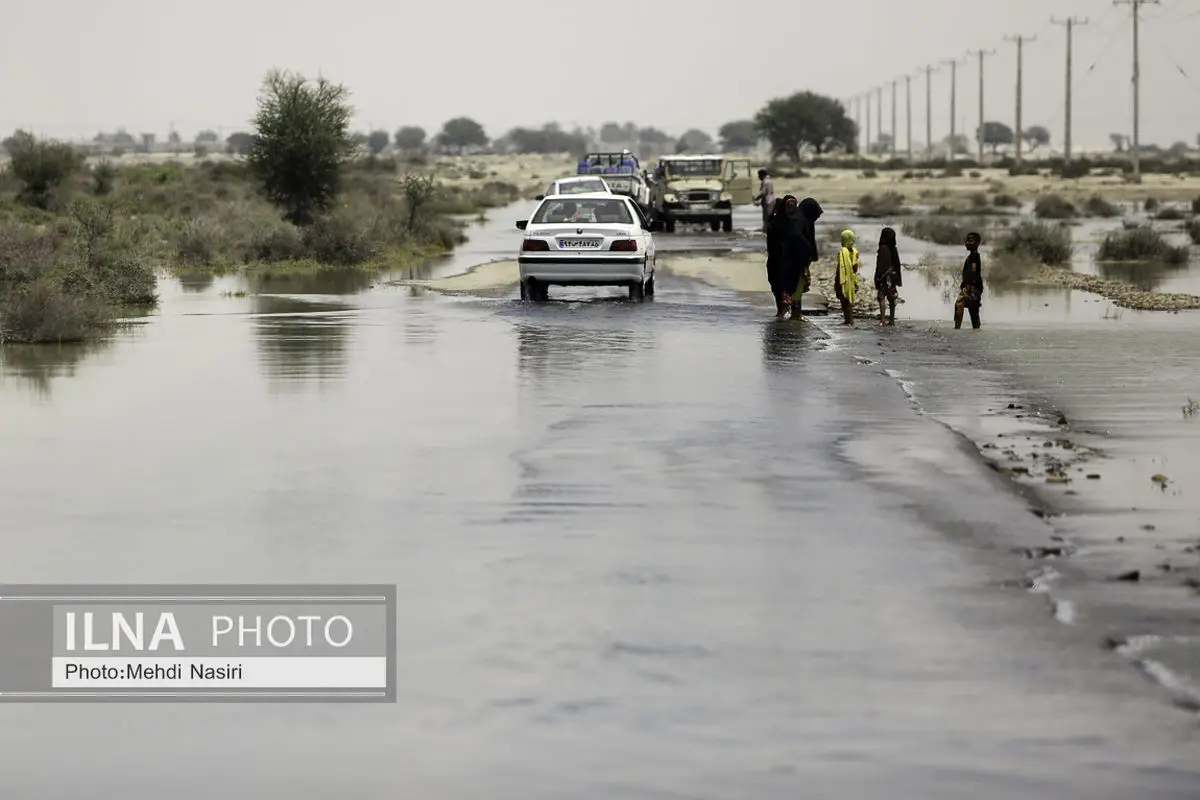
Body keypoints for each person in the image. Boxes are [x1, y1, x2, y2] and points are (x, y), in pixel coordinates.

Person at [780, 197, 824, 316]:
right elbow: (797, 238)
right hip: (794, 259)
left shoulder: (802, 219)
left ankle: (794, 313)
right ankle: (795, 314)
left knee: (797, 286)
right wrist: (807, 249)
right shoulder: (799, 220)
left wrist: (812, 254)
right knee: (796, 286)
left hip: (796, 258)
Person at [765, 196, 792, 317]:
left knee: (776, 286)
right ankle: (785, 310)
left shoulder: (772, 221)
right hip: (783, 259)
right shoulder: (788, 222)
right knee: (784, 286)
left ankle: (780, 310)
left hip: (773, 259)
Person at [955, 231, 984, 329]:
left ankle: (957, 328)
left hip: (972, 287)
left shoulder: (974, 257)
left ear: (977, 243)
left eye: (970, 241)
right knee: (973, 310)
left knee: (959, 304)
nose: (967, 243)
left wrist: (969, 286)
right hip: (972, 286)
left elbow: (974, 272)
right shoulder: (972, 256)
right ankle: (976, 329)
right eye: (966, 240)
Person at [874, 227, 903, 326]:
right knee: (891, 298)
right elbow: (897, 264)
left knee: (881, 297)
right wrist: (897, 278)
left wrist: (878, 277)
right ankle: (891, 320)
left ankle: (882, 320)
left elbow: (881, 265)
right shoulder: (893, 248)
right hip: (893, 277)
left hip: (884, 277)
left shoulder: (883, 249)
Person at [833, 229, 861, 326]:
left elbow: (840, 267)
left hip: (843, 279)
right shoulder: (854, 252)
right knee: (847, 300)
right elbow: (855, 267)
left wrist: (837, 279)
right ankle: (848, 320)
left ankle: (849, 320)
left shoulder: (843, 252)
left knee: (845, 301)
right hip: (852, 279)